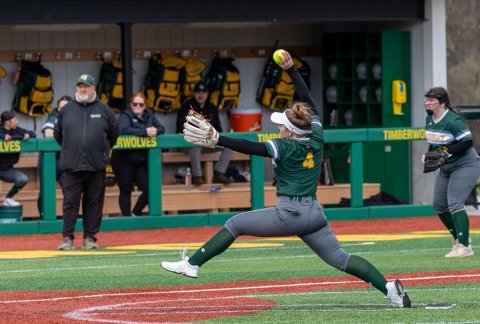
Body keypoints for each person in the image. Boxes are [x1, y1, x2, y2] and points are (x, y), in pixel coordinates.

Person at [162, 51, 411, 308]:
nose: (279, 127)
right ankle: (390, 289)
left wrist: (218, 139)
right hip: (313, 213)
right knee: (341, 258)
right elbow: (309, 102)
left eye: (282, 125)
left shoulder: (286, 145)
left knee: (235, 224)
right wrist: (291, 69)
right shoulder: (315, 136)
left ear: (291, 131)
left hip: (289, 213)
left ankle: (192, 265)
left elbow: (251, 148)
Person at [54, 74, 119, 250]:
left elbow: (114, 134)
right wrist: (70, 150)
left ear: (93, 89)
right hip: (72, 166)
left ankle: (89, 238)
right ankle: (67, 239)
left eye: (87, 86)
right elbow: (58, 134)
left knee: (94, 203)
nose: (83, 89)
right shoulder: (66, 110)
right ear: (76, 88)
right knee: (70, 203)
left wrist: (101, 151)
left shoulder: (105, 110)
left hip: (96, 166)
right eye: (80, 86)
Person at [423, 87, 480, 257]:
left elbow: (467, 143)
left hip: (466, 164)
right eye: (427, 100)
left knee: (455, 203)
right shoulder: (430, 119)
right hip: (447, 166)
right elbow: (433, 142)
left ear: (441, 102)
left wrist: (445, 151)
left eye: (431, 100)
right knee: (439, 205)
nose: (427, 103)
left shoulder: (453, 120)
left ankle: (465, 247)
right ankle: (458, 239)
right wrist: (429, 155)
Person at [110, 92, 165, 216]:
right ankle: (126, 218)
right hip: (123, 159)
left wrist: (155, 130)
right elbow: (123, 130)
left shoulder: (149, 115)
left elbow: (162, 128)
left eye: (141, 104)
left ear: (145, 106)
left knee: (149, 189)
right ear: (131, 104)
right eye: (135, 104)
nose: (138, 107)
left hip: (141, 160)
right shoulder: (125, 115)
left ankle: (135, 212)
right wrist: (144, 131)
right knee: (125, 190)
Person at [176, 82, 233, 185]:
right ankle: (197, 176)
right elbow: (182, 128)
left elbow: (218, 129)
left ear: (207, 94)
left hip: (206, 142)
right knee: (196, 146)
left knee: (229, 145)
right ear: (194, 93)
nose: (201, 95)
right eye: (198, 92)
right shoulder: (186, 107)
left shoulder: (211, 107)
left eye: (203, 92)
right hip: (187, 143)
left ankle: (219, 174)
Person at [37, 95, 73, 217]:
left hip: (64, 161)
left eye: (65, 107)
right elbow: (48, 134)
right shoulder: (54, 116)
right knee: (45, 193)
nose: (62, 109)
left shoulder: (76, 118)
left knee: (69, 191)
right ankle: (43, 217)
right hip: (48, 161)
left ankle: (68, 218)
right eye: (60, 106)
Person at [0, 111, 36, 207]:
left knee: (22, 179)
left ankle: (8, 198)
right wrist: (3, 137)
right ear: (7, 122)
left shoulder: (17, 130)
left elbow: (33, 133)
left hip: (7, 169)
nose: (17, 121)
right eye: (14, 120)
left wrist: (28, 135)